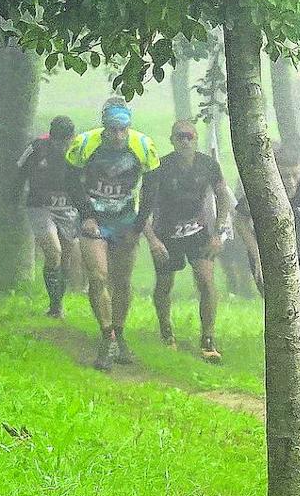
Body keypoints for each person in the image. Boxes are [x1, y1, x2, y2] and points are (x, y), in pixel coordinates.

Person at [65, 99, 161, 371]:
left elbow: (151, 190)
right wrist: (87, 215)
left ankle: (119, 333)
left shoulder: (143, 146)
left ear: (128, 127)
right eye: (112, 129)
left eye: (123, 129)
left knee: (122, 281)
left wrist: (138, 226)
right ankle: (106, 336)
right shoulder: (85, 143)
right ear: (104, 126)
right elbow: (71, 181)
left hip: (125, 219)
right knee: (97, 276)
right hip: (94, 218)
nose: (118, 136)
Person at [143, 121, 234, 362]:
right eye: (180, 138)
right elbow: (144, 209)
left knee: (206, 281)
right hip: (166, 233)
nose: (185, 142)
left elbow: (223, 195)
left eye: (190, 137)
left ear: (196, 140)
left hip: (198, 231)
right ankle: (166, 332)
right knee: (164, 286)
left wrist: (218, 232)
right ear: (172, 140)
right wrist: (152, 240)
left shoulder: (208, 165)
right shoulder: (159, 167)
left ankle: (207, 340)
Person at [16, 115, 80, 318]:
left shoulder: (79, 150)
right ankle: (55, 306)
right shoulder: (36, 148)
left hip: (68, 208)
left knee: (65, 259)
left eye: (64, 141)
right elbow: (19, 171)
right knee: (54, 252)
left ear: (71, 138)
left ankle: (56, 306)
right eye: (56, 141)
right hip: (40, 207)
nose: (59, 145)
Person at [236, 145, 300, 291]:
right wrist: (256, 254)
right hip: (265, 251)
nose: (291, 182)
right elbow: (239, 220)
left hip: (299, 252)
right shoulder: (261, 191)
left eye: (295, 175)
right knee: (273, 297)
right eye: (285, 176)